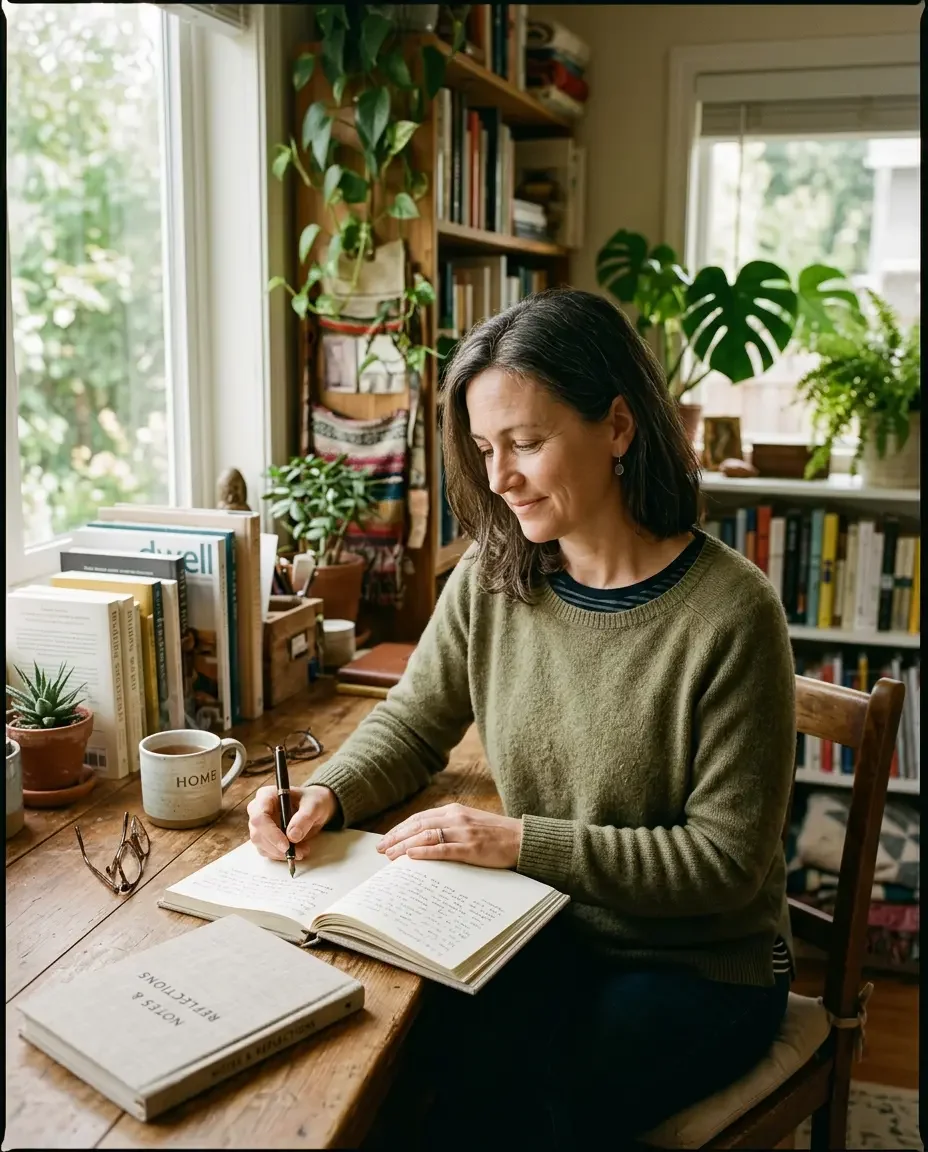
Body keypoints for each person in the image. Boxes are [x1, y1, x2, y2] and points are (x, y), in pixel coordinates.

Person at [247, 288, 796, 1148]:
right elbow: (413, 720)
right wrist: (327, 795)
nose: (499, 478)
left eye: (527, 444)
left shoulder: (732, 613)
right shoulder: (494, 578)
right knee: (416, 1067)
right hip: (542, 927)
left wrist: (515, 841)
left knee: (533, 1110)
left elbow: (722, 864)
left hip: (700, 968)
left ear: (618, 428)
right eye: (483, 448)